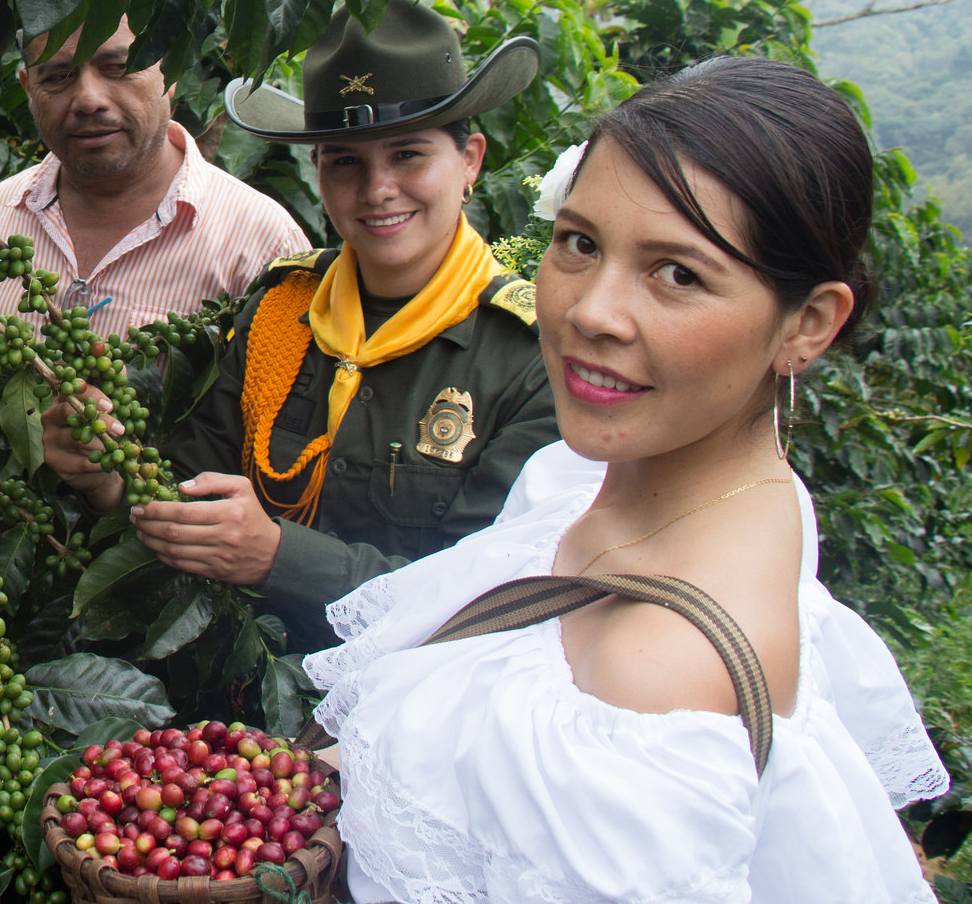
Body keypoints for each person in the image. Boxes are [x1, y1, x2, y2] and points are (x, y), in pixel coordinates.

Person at [304, 57, 947, 903]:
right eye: (580, 243)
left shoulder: (653, 683)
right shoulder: (626, 479)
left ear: (809, 323)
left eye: (678, 273)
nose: (590, 312)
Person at [43, 0, 558, 646]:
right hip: (238, 682)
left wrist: (281, 557)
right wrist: (109, 477)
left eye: (408, 155)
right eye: (345, 161)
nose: (377, 189)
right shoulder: (281, 309)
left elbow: (498, 595)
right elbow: (189, 481)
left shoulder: (534, 358)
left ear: (471, 160)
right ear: (317, 170)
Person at [0, 17, 307, 416]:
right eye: (58, 76)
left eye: (118, 67)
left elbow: (284, 430)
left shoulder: (264, 244)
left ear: (170, 72)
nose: (89, 100)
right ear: (29, 89)